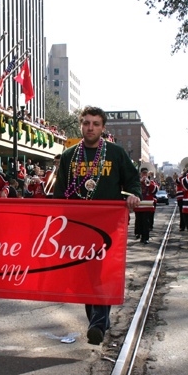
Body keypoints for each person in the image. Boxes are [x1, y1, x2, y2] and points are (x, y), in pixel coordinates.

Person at [52, 106, 141, 346]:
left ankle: (98, 323)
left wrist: (133, 194)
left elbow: (132, 179)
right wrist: (58, 223)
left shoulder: (115, 152)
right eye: (86, 123)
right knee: (87, 274)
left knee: (103, 272)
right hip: (79, 226)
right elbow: (61, 191)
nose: (90, 128)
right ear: (81, 125)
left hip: (109, 225)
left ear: (103, 128)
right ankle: (97, 320)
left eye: (95, 124)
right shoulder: (70, 155)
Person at [134, 167, 158, 243]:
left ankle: (145, 238)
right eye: (143, 173)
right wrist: (140, 182)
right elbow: (134, 189)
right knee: (139, 221)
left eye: (145, 173)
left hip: (147, 206)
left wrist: (149, 183)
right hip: (138, 205)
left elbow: (155, 191)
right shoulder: (137, 181)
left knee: (146, 222)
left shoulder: (150, 182)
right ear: (141, 173)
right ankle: (139, 234)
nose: (144, 174)